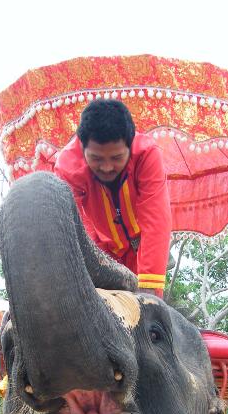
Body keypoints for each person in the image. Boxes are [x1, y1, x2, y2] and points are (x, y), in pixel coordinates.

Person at [53, 99, 172, 297]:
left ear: (130, 144)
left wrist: (149, 288)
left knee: (151, 309)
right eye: (96, 158)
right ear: (83, 149)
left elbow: (156, 219)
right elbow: (71, 230)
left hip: (143, 250)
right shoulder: (67, 167)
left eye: (116, 158)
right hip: (101, 252)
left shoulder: (147, 154)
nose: (107, 167)